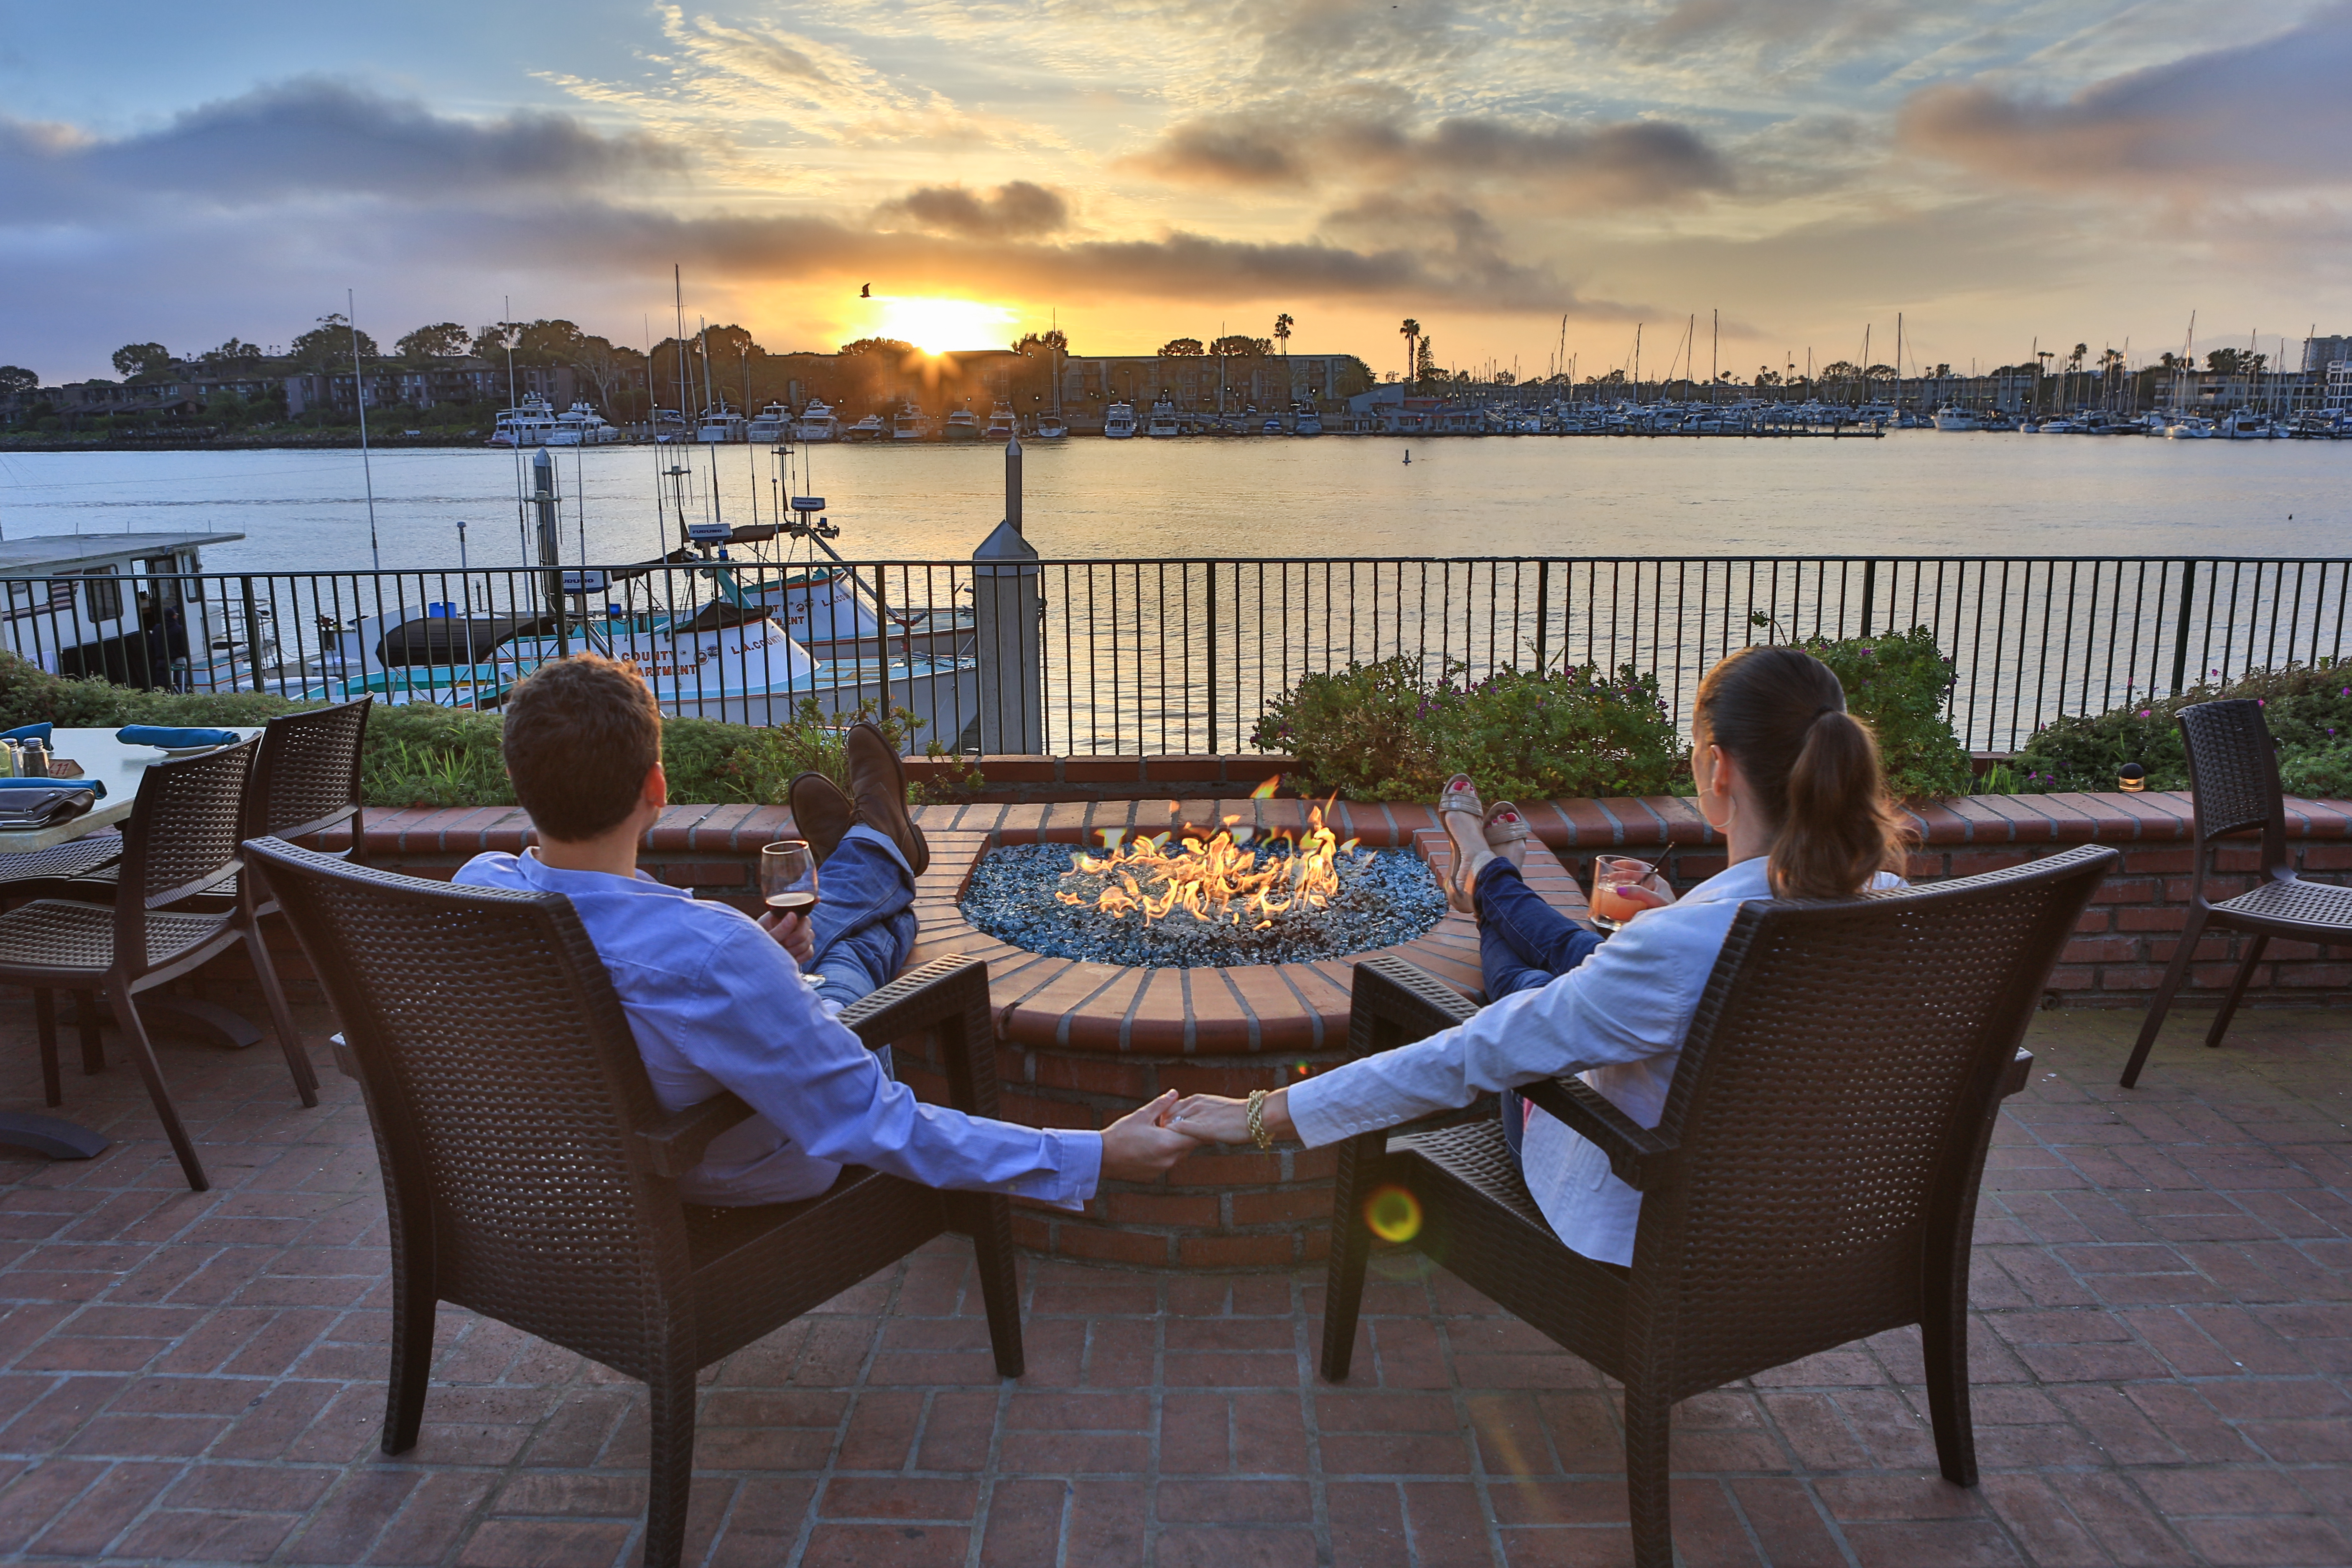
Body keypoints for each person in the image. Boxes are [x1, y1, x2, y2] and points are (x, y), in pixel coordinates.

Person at [1165, 645, 1908, 1266]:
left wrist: (1264, 1115)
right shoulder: (1894, 904)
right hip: (1814, 1222)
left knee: (1520, 984)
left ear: (1718, 771)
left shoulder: (1680, 947)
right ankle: (1490, 874)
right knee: (1573, 960)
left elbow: (1473, 1055)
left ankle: (1485, 871)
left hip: (1655, 1224)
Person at [454, 654, 1194, 1208]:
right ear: (658, 789)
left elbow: (651, 970)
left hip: (586, 1170)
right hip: (737, 1165)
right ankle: (881, 846)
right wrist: (1094, 1153)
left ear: (521, 784)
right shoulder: (711, 954)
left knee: (832, 941)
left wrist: (756, 965)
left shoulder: (478, 892)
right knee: (855, 954)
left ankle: (874, 850)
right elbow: (872, 1120)